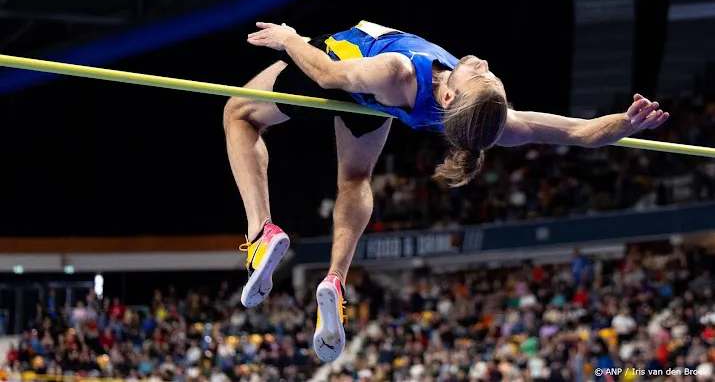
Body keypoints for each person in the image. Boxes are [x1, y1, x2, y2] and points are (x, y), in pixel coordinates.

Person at [223, 20, 668, 362]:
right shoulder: (489, 122)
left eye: (478, 76)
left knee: (239, 114)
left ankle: (262, 232)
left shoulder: (397, 72)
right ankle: (335, 280)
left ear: (450, 97)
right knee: (355, 179)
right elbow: (581, 132)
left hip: (343, 70)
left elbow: (325, 75)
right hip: (373, 103)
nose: (482, 65)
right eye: (490, 75)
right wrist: (625, 124)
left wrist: (289, 38)